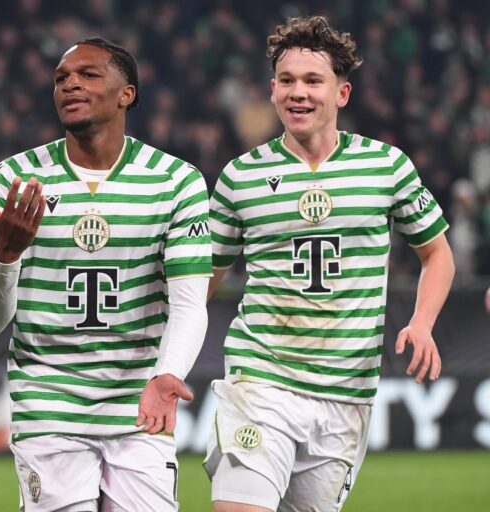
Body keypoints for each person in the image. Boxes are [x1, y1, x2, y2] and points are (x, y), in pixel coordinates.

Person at [204, 16, 454, 512]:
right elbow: (205, 278)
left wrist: (422, 323)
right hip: (260, 379)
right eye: (287, 80)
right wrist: (159, 353)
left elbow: (437, 253)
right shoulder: (240, 177)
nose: (298, 92)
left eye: (312, 80)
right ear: (272, 90)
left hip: (345, 393)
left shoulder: (386, 167)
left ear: (342, 93)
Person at [0, 37, 212, 511]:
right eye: (61, 78)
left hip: (139, 406)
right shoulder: (15, 179)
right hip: (49, 408)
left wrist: (168, 375)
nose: (70, 84)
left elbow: (188, 304)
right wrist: (6, 254)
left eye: (88, 74)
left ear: (127, 94)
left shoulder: (175, 181)